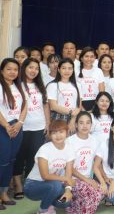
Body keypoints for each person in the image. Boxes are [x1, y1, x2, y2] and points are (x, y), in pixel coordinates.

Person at [13, 57, 49, 200]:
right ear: (24, 68)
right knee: (19, 157)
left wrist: (47, 123)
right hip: (22, 126)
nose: (33, 71)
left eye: (36, 68)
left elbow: (45, 105)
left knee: (33, 157)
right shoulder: (17, 85)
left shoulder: (40, 85)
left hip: (39, 126)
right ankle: (18, 185)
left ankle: (29, 185)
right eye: (31, 67)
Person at [24, 120, 74, 214]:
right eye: (54, 133)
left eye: (61, 132)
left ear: (67, 133)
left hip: (51, 185)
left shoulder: (70, 149)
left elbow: (68, 174)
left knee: (65, 202)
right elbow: (45, 176)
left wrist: (68, 190)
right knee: (56, 185)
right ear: (50, 135)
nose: (58, 135)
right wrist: (66, 179)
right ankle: (43, 211)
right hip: (32, 186)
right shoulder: (45, 149)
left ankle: (50, 205)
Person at [0, 57, 27, 208]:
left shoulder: (19, 86)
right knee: (2, 161)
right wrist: (6, 126)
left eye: (15, 69)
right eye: (9, 69)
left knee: (11, 160)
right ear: (2, 71)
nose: (12, 72)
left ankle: (4, 193)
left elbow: (25, 105)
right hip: (3, 127)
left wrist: (20, 123)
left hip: (17, 127)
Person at [66, 111, 104, 214]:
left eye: (88, 123)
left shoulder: (95, 141)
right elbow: (69, 168)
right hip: (71, 179)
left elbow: (97, 164)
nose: (85, 126)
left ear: (91, 125)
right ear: (76, 125)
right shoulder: (69, 141)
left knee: (100, 192)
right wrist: (87, 180)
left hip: (87, 179)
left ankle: (74, 208)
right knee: (90, 193)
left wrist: (104, 180)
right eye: (81, 123)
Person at [47, 58, 81, 133]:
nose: (67, 71)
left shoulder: (77, 85)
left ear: (73, 70)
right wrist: (71, 112)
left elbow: (79, 106)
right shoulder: (52, 85)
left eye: (70, 68)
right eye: (64, 68)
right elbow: (53, 106)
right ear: (59, 69)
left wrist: (73, 120)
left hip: (74, 118)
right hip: (57, 117)